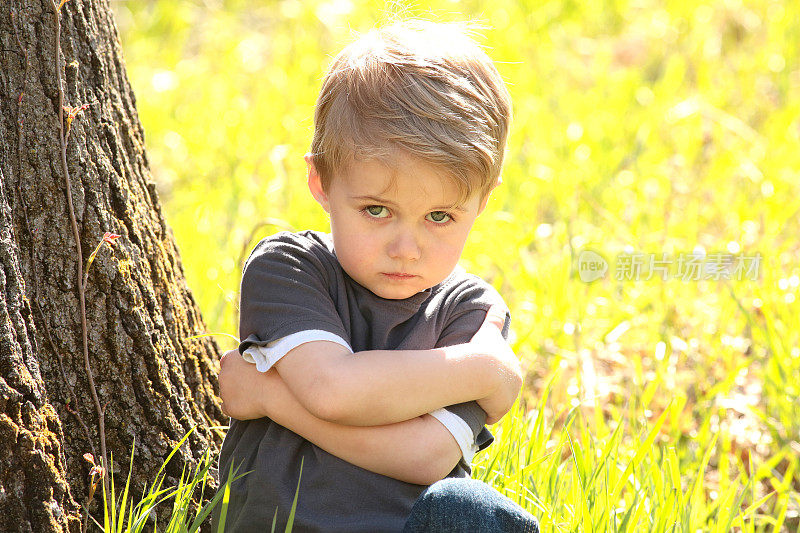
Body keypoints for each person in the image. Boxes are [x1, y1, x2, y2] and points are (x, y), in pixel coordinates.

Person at [213, 19, 539, 533]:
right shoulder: (289, 269)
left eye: (439, 217)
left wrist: (270, 397)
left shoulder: (472, 312)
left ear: (482, 200)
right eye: (376, 210)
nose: (405, 249)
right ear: (321, 181)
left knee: (468, 509)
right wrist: (487, 371)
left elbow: (427, 456)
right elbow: (333, 389)